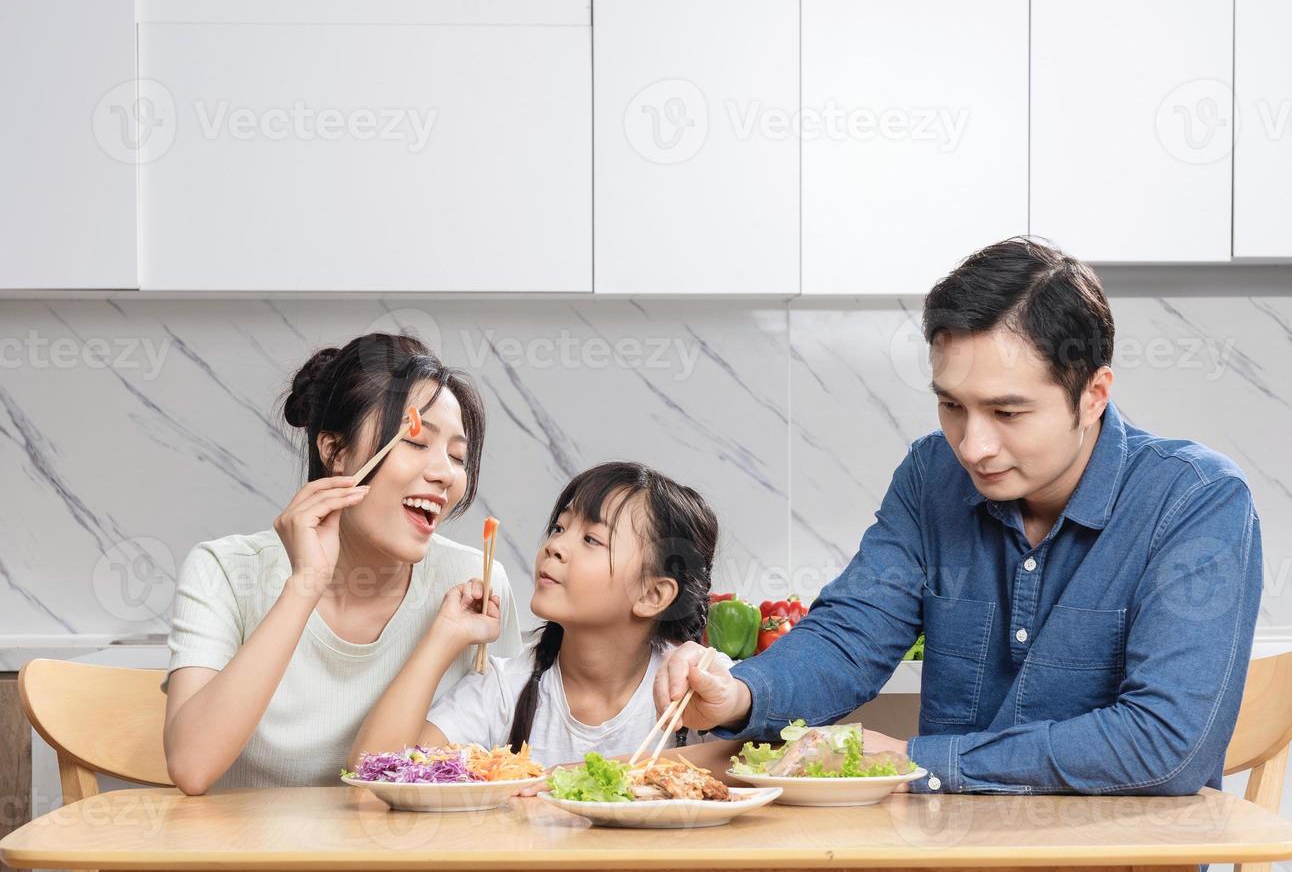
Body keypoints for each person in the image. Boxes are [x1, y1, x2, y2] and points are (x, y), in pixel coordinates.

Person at [656, 238, 1262, 797]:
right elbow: (850, 636)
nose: (972, 446)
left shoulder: (1196, 501)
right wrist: (741, 691)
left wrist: (918, 761)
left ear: (1093, 394)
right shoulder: (931, 476)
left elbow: (1166, 745)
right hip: (950, 852)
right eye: (952, 405)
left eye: (1007, 412)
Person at [163, 333, 521, 793]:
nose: (445, 474)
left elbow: (503, 772)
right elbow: (192, 767)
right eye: (414, 442)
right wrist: (305, 584)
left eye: (457, 456)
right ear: (333, 450)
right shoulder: (224, 572)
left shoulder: (476, 586)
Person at [350, 461, 732, 771]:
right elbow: (377, 772)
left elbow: (762, 758)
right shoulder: (505, 688)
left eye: (591, 540)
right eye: (559, 527)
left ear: (652, 594)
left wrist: (567, 775)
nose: (555, 546)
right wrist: (443, 637)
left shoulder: (697, 683)